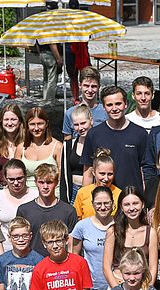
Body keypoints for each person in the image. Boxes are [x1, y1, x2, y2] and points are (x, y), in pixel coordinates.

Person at [83, 85, 149, 191]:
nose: (114, 108)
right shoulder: (94, 134)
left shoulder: (140, 134)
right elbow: (88, 171)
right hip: (103, 201)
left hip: (132, 200)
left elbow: (145, 170)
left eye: (118, 104)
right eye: (109, 105)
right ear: (104, 107)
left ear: (125, 104)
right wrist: (85, 200)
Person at [61, 67, 108, 201]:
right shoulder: (70, 113)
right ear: (80, 85)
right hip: (77, 165)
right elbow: (67, 140)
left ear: (98, 87)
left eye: (94, 86)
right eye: (86, 85)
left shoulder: (104, 112)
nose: (90, 90)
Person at [15, 164, 78, 257]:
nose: (45, 186)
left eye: (49, 182)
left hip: (59, 262)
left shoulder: (68, 211)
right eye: (41, 182)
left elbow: (71, 243)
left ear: (56, 182)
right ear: (35, 182)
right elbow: (19, 239)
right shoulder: (24, 210)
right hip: (32, 262)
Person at [104, 187, 159, 287]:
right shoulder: (113, 231)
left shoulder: (151, 232)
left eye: (135, 203)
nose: (131, 208)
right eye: (127, 204)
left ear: (142, 204)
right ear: (121, 207)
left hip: (143, 287)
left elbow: (153, 267)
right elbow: (106, 267)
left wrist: (147, 289)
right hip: (118, 285)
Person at [0, 159, 37, 252]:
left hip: (32, 250)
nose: (16, 183)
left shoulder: (36, 196)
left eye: (19, 178)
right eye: (11, 179)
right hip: (6, 250)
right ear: (5, 178)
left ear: (26, 176)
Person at [15, 107, 63, 192]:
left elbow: (61, 176)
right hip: (26, 195)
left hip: (52, 194)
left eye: (40, 124)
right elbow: (16, 174)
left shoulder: (57, 147)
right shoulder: (21, 148)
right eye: (32, 124)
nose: (36, 128)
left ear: (47, 124)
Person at [73, 148, 121, 219]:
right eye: (102, 174)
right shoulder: (83, 192)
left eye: (110, 174)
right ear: (93, 172)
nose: (106, 178)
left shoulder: (119, 194)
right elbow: (77, 217)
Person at [61, 104, 92, 204]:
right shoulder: (69, 145)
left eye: (83, 123)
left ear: (91, 121)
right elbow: (64, 174)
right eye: (76, 125)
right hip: (73, 191)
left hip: (93, 191)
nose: (80, 128)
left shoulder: (99, 144)